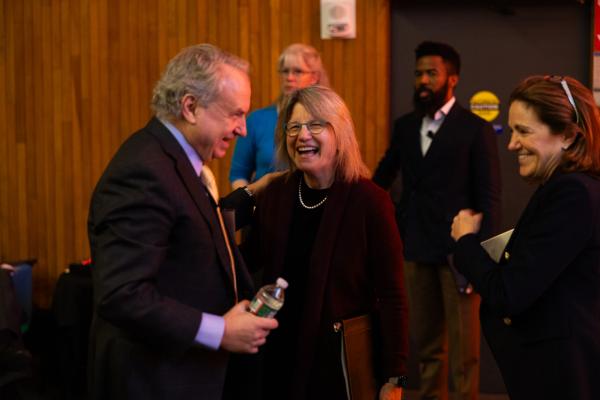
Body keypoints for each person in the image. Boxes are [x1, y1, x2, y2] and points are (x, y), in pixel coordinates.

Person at [87, 44, 278, 400]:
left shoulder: (178, 160)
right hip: (154, 380)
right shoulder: (144, 170)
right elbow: (122, 294)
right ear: (190, 107)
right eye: (235, 115)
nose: (242, 130)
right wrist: (220, 330)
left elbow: (194, 229)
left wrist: (255, 194)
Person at [226, 85, 409, 400]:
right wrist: (251, 191)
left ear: (340, 134)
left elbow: (392, 294)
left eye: (315, 125)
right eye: (294, 127)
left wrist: (395, 376)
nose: (302, 135)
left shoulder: (370, 201)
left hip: (335, 366)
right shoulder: (276, 193)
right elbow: (243, 261)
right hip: (276, 358)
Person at [451, 75, 600, 400]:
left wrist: (465, 242)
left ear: (568, 136)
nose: (511, 143)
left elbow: (509, 293)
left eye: (524, 131)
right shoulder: (569, 188)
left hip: (561, 375)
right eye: (512, 129)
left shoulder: (572, 194)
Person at [373, 41, 501, 400]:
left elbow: (490, 197)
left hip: (459, 255)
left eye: (432, 73)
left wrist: (484, 258)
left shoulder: (476, 129)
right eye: (418, 74)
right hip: (414, 249)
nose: (423, 80)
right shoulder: (405, 126)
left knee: (465, 354)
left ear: (453, 78)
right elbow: (381, 179)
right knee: (428, 349)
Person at [229, 43, 329, 190]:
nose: (289, 77)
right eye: (285, 71)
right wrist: (249, 205)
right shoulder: (256, 120)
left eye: (297, 71)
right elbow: (238, 174)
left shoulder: (328, 120)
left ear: (314, 77)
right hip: (264, 206)